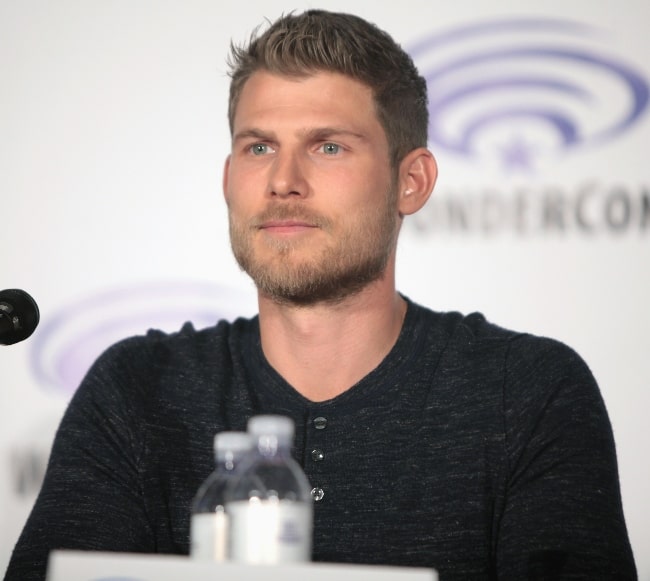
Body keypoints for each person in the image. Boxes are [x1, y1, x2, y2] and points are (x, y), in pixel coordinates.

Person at [4, 9, 637, 581]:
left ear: (410, 181)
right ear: (229, 179)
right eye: (259, 148)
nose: (283, 181)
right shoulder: (138, 390)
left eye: (327, 146)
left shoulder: (525, 391)